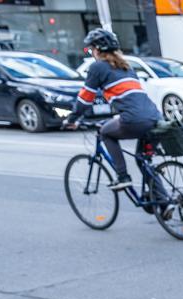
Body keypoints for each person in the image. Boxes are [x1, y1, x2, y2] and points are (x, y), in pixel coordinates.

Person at [64, 29, 161, 190]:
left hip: (134, 120)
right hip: (155, 118)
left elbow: (85, 98)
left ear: (98, 49)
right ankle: (164, 202)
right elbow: (129, 97)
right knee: (142, 159)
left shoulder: (98, 68)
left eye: (91, 49)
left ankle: (123, 177)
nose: (91, 52)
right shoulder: (127, 68)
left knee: (105, 133)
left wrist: (72, 119)